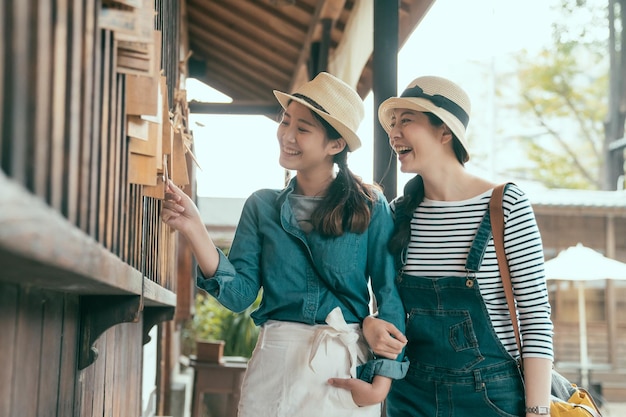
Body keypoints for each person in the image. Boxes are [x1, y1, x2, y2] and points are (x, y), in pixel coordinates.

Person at [161, 72, 408, 417]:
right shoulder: (262, 205)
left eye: (303, 129)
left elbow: (390, 296)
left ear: (335, 145)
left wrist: (381, 385)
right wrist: (195, 228)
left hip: (340, 370)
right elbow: (240, 295)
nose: (287, 135)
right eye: (285, 121)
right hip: (273, 364)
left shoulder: (369, 207)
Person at [374, 75, 555, 416]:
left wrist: (538, 411)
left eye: (406, 121)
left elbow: (535, 317)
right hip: (410, 395)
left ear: (445, 133)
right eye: (392, 124)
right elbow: (387, 306)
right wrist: (372, 324)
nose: (393, 133)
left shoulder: (505, 205)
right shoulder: (398, 214)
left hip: (492, 397)